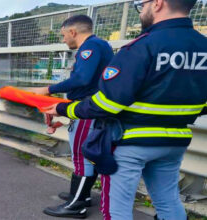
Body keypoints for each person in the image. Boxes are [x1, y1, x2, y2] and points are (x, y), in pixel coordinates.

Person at [44, 0, 207, 219]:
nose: (141, 11)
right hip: (175, 140)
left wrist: (64, 109)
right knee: (168, 201)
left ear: (158, 3)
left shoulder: (142, 47)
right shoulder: (203, 46)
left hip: (131, 141)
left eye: (142, 4)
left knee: (117, 209)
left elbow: (107, 103)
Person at [29, 15, 114, 218]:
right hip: (92, 108)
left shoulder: (90, 47)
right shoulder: (102, 45)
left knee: (81, 156)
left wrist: (48, 89)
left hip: (86, 108)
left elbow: (81, 78)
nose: (63, 39)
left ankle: (76, 206)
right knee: (87, 154)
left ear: (73, 32)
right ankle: (81, 196)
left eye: (64, 35)